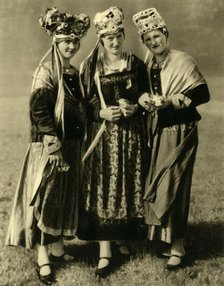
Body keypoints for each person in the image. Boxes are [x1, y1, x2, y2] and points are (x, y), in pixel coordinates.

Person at [5, 7, 90, 285]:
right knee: (47, 197)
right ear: (56, 42)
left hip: (72, 144)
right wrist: (52, 143)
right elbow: (39, 111)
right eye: (67, 41)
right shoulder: (46, 72)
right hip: (50, 145)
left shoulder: (72, 72)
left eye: (75, 41)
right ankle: (43, 256)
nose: (72, 46)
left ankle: (57, 247)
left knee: (64, 197)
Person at [132, 8, 210, 270]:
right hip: (157, 132)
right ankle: (164, 239)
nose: (154, 42)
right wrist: (144, 100)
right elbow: (142, 93)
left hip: (181, 130)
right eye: (148, 40)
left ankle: (178, 246)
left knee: (176, 184)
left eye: (157, 36)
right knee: (160, 183)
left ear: (166, 34)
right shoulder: (148, 64)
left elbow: (202, 93)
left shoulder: (183, 60)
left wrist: (173, 101)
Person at [77, 6, 150, 278]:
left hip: (130, 137)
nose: (115, 42)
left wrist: (136, 108)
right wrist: (100, 112)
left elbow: (144, 95)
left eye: (119, 36)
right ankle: (105, 250)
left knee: (127, 186)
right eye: (109, 38)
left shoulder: (135, 63)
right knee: (104, 186)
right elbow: (83, 107)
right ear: (101, 40)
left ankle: (124, 236)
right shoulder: (91, 67)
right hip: (103, 138)